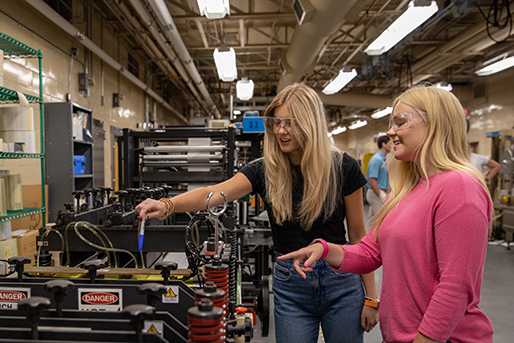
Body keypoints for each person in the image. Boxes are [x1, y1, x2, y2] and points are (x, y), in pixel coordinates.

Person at [136, 83, 379, 342]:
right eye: (276, 122)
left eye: (290, 123)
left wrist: (371, 298)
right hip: (291, 287)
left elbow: (358, 238)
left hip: (341, 282)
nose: (280, 130)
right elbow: (217, 192)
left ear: (310, 124)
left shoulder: (344, 167)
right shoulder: (265, 170)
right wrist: (167, 204)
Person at [279, 86, 494, 343]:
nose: (390, 132)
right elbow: (370, 252)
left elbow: (456, 287)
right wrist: (324, 250)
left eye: (401, 122)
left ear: (435, 124)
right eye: (391, 123)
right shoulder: (406, 188)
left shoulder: (459, 187)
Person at [365, 135, 392, 229]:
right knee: (381, 219)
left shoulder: (383, 159)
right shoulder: (377, 160)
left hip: (378, 191)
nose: (391, 145)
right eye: (389, 143)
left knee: (372, 219)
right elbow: (372, 180)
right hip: (375, 192)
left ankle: (366, 239)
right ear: (383, 144)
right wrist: (381, 194)